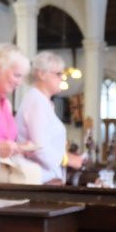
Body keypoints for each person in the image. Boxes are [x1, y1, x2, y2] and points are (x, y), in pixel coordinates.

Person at [0, 43, 41, 183]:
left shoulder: (6, 103)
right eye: (17, 75)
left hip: (7, 169)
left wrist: (20, 147)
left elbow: (7, 141)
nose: (20, 82)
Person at [16, 50, 84, 184]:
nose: (62, 78)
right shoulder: (36, 102)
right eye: (58, 74)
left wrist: (67, 156)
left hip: (47, 176)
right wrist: (67, 160)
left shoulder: (42, 101)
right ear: (41, 74)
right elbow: (38, 147)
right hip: (40, 179)